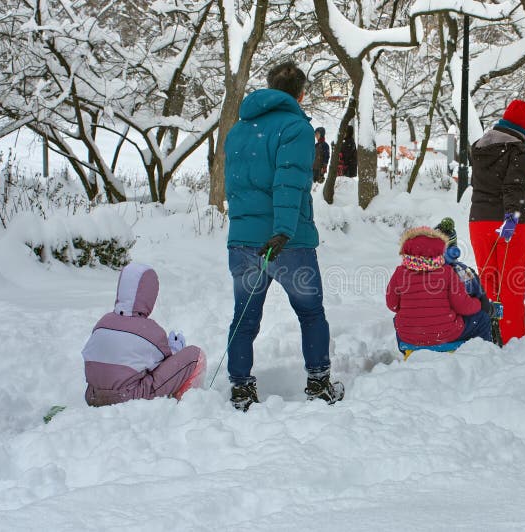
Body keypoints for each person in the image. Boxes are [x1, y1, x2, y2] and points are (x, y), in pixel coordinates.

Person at [224, 61, 343, 411]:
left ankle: (241, 388)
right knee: (310, 313)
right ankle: (319, 383)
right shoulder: (296, 128)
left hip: (242, 241)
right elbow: (289, 182)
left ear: (270, 86)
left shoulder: (238, 130)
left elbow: (236, 185)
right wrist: (283, 232)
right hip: (289, 243)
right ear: (301, 93)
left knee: (244, 317)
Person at [81, 263, 206, 406]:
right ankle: (186, 404)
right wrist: (175, 349)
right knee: (195, 355)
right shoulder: (149, 330)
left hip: (93, 396)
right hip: (127, 398)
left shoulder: (102, 324)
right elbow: (165, 363)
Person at [469, 99, 525, 345]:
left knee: (488, 281)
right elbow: (515, 188)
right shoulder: (519, 149)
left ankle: (488, 335)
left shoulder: (478, 148)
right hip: (509, 224)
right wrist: (512, 219)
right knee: (512, 284)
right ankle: (512, 339)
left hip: (478, 222)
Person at [386, 226, 492, 351]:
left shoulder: (400, 273)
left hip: (410, 336)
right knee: (482, 319)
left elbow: (392, 305)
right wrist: (479, 305)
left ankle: (407, 352)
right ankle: (485, 353)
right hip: (444, 334)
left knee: (399, 321)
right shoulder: (447, 272)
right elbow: (462, 306)